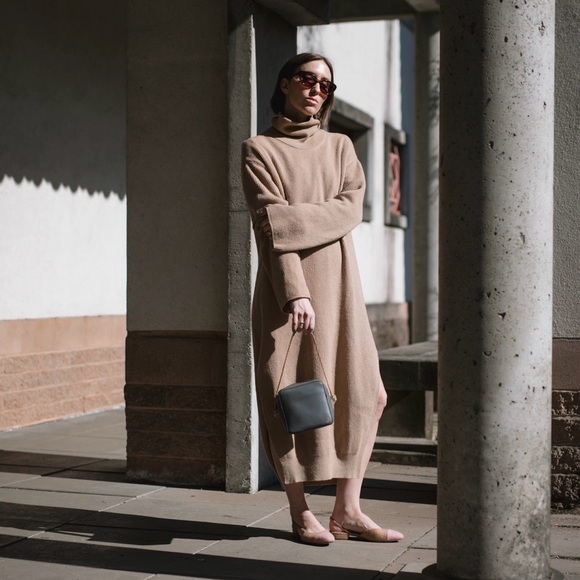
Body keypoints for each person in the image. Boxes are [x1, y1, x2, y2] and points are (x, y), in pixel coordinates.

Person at [241, 53, 404, 547]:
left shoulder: (340, 146)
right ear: (285, 83)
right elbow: (269, 230)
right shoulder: (259, 149)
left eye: (326, 85)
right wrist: (296, 292)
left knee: (367, 394)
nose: (317, 89)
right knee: (289, 399)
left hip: (342, 289)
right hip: (286, 292)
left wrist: (290, 218)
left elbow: (349, 208)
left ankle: (347, 510)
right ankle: (300, 512)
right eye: (307, 79)